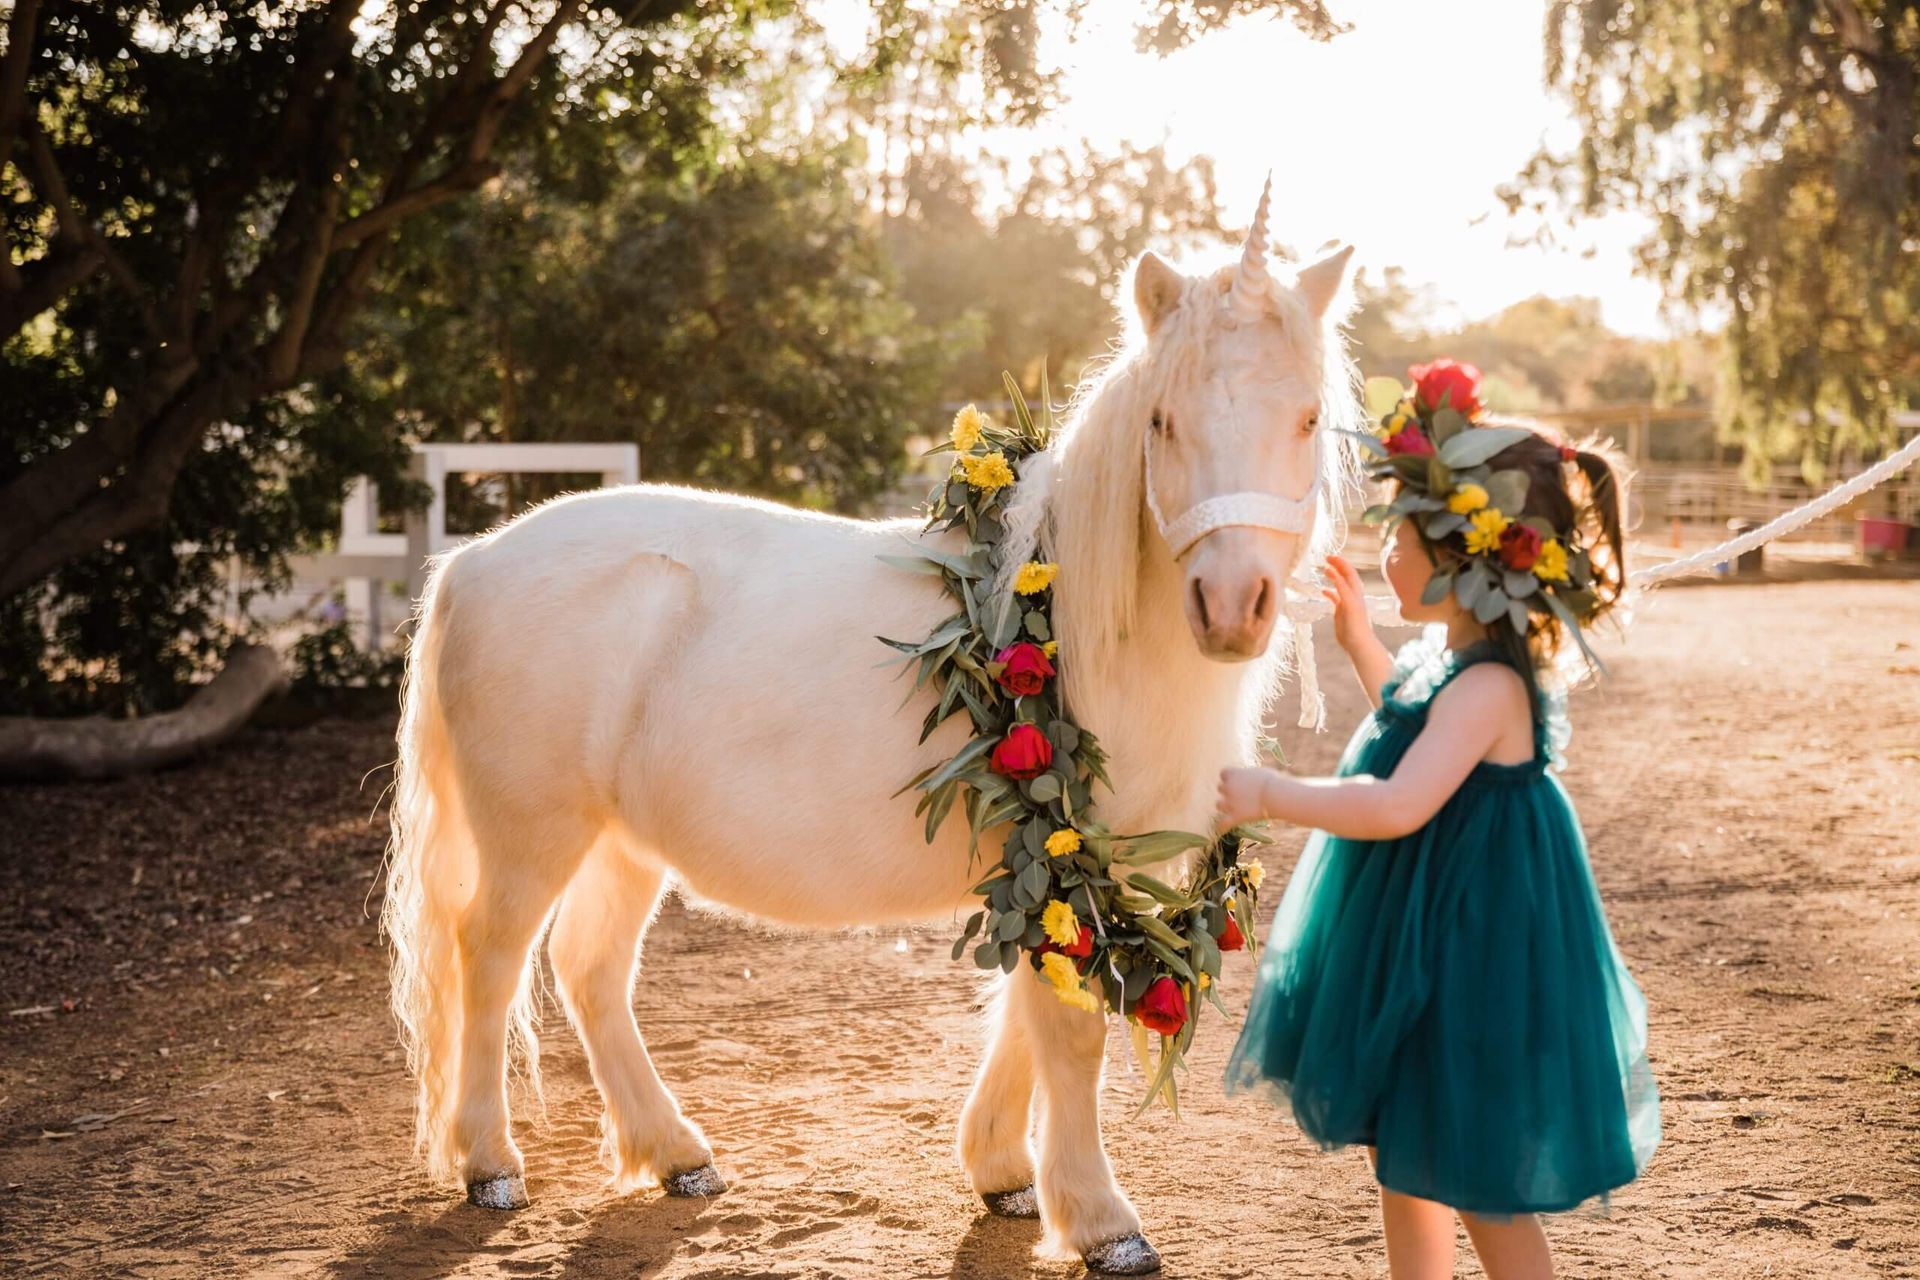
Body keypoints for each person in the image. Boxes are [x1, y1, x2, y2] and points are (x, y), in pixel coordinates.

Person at [1216, 381, 1660, 1280]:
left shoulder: (1492, 685)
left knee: (1473, 1174)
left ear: (1465, 560)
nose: (1383, 552)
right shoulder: (1453, 662)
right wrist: (1356, 643)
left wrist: (1269, 792)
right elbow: (1412, 729)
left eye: (1400, 537)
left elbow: (1396, 803)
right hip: (1424, 928)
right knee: (1405, 1154)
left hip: (1471, 946)